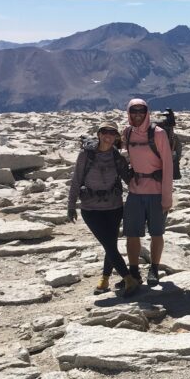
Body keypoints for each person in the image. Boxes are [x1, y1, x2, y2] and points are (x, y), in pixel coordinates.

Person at [67, 121, 138, 297]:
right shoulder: (86, 155)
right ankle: (128, 278)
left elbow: (129, 180)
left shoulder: (117, 157)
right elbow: (76, 180)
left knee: (110, 244)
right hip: (90, 208)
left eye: (112, 133)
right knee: (108, 243)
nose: (108, 135)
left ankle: (105, 279)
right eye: (105, 131)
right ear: (99, 134)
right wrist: (71, 205)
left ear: (116, 137)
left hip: (114, 207)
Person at [122, 98, 173, 287]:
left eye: (140, 111)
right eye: (133, 111)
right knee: (131, 233)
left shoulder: (158, 134)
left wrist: (167, 197)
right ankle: (133, 271)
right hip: (135, 191)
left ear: (146, 113)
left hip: (156, 192)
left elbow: (167, 166)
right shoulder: (127, 133)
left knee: (156, 232)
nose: (137, 115)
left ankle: (154, 268)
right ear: (129, 113)